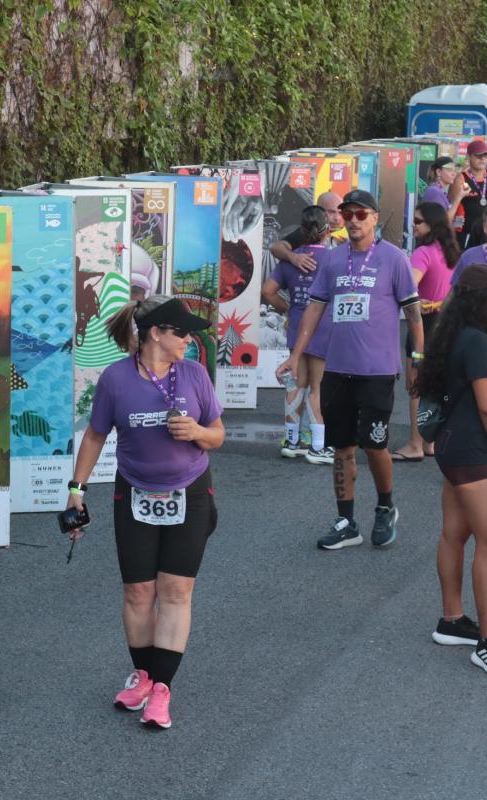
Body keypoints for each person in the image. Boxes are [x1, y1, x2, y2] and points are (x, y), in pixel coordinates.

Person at [65, 295, 224, 730]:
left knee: (176, 592)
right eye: (182, 331)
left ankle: (161, 691)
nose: (190, 339)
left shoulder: (193, 374)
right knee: (138, 593)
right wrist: (76, 490)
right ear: (156, 333)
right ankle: (145, 675)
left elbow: (218, 434)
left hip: (190, 492)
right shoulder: (116, 380)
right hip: (133, 493)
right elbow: (96, 436)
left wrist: (196, 432)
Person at [277, 190, 423, 550]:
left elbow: (414, 313)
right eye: (347, 214)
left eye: (361, 214)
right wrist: (296, 355)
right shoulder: (332, 259)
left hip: (377, 370)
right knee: (340, 446)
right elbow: (313, 310)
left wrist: (419, 358)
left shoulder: (394, 259)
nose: (353, 220)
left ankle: (386, 506)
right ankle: (346, 520)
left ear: (375, 218)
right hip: (337, 370)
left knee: (374, 445)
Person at [417, 266, 487, 676]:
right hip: (473, 449)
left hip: (451, 446)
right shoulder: (477, 339)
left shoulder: (456, 333)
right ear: (481, 297)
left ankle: (452, 619)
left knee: (454, 534)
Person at [262, 205, 334, 464]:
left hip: (295, 326)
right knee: (318, 388)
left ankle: (292, 441)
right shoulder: (333, 259)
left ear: (301, 230)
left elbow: (268, 291)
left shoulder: (288, 260)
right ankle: (317, 446)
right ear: (327, 230)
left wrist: (289, 307)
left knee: (296, 384)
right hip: (324, 328)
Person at [392, 201, 460, 462]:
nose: (414, 225)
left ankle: (414, 443)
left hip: (423, 326)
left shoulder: (423, 253)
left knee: (417, 386)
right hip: (447, 326)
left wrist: (424, 303)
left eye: (418, 221)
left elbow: (407, 292)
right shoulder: (450, 252)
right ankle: (430, 441)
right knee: (437, 386)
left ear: (432, 224)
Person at [269, 191, 345, 273]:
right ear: (319, 211)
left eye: (340, 213)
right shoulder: (308, 233)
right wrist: (294, 257)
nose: (337, 218)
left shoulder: (339, 241)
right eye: (331, 212)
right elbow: (275, 248)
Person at [450, 139, 487, 248]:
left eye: (485, 156)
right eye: (478, 155)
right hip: (467, 233)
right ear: (468, 157)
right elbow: (452, 209)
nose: (482, 159)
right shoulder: (460, 179)